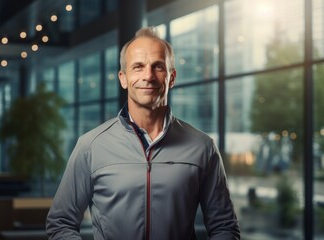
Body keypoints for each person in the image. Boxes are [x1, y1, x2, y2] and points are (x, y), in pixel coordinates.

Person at [46, 26, 240, 240]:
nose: (148, 76)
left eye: (158, 67)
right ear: (123, 78)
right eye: (138, 67)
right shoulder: (91, 146)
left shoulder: (203, 147)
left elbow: (225, 227)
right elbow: (60, 223)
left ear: (172, 77)